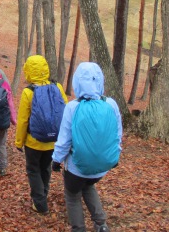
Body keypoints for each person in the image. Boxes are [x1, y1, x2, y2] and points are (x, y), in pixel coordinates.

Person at [52, 62, 122, 232]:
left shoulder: (72, 107)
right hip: (102, 168)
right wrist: (115, 154)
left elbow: (64, 140)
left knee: (73, 195)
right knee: (88, 186)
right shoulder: (111, 104)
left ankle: (78, 228)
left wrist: (56, 160)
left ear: (77, 82)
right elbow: (117, 134)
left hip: (76, 168)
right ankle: (101, 224)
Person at [15, 55, 68, 214]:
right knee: (45, 168)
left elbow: (23, 120)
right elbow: (65, 112)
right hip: (53, 141)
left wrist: (19, 142)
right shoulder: (57, 86)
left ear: (29, 71)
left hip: (33, 141)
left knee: (33, 170)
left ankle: (40, 203)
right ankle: (42, 195)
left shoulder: (28, 92)